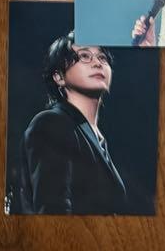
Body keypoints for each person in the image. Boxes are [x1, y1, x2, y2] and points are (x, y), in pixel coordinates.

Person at [19, 35, 128, 215]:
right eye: (84, 56)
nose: (97, 63)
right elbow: (53, 213)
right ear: (59, 77)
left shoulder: (97, 139)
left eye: (102, 57)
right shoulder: (51, 123)